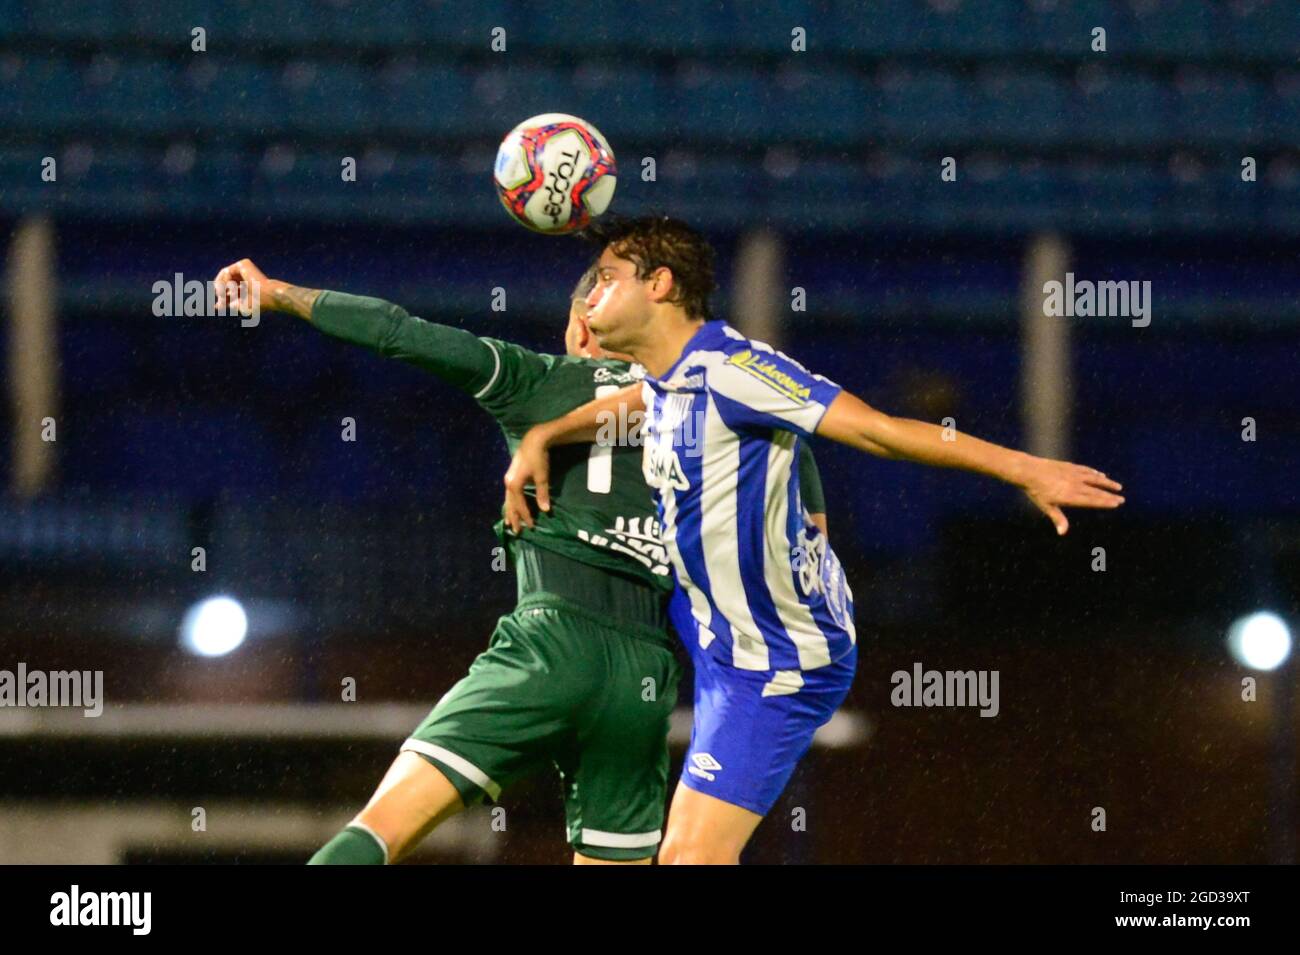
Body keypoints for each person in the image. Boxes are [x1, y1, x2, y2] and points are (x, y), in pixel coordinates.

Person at [501, 216, 1126, 864]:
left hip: (777, 660)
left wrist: (1022, 467)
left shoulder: (738, 369)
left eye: (607, 278)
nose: (591, 293)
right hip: (718, 631)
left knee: (690, 857)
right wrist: (550, 433)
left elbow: (880, 430)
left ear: (659, 285)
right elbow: (641, 399)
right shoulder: (671, 371)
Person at [211, 257, 825, 864]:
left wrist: (281, 294)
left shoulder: (535, 380)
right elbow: (796, 468)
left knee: (383, 829)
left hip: (548, 646)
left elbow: (398, 331)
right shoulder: (711, 411)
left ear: (583, 325)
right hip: (643, 674)